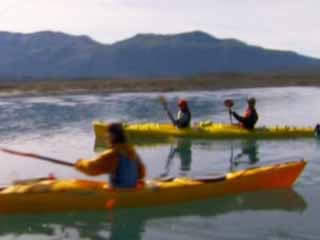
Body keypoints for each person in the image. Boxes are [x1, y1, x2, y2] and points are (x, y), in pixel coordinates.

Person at [75, 123, 146, 188]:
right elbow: (142, 173)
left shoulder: (112, 154)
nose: (106, 138)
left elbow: (92, 169)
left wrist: (79, 164)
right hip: (133, 187)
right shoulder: (131, 151)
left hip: (119, 190)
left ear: (112, 136)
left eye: (107, 135)